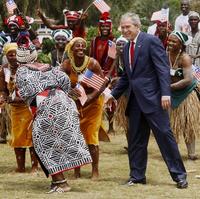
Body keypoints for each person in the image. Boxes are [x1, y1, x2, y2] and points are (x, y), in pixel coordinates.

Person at [106, 12, 188, 188]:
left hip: (155, 101)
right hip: (135, 103)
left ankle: (179, 176)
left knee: (165, 138)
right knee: (135, 141)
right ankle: (137, 176)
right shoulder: (127, 48)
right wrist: (113, 95)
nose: (125, 30)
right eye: (123, 27)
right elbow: (128, 78)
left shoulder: (151, 41)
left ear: (137, 26)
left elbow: (162, 69)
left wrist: (166, 93)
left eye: (128, 26)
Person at [15, 39, 92, 193]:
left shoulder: (22, 71)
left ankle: (61, 183)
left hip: (49, 107)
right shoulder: (49, 67)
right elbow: (64, 82)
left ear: (19, 58)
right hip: (65, 104)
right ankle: (58, 181)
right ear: (34, 55)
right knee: (56, 141)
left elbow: (26, 93)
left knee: (43, 142)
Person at [62, 37, 106, 179]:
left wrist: (91, 98)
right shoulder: (67, 65)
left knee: (91, 136)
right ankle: (77, 171)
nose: (80, 49)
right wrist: (68, 91)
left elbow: (101, 84)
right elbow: (59, 82)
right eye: (77, 46)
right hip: (75, 105)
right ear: (71, 49)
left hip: (93, 105)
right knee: (76, 137)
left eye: (82, 46)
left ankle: (95, 170)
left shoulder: (92, 63)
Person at [0, 43, 38, 172]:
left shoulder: (28, 68)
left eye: (16, 54)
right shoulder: (4, 69)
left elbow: (33, 90)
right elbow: (3, 89)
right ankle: (20, 167)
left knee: (32, 136)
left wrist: (17, 98)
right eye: (10, 55)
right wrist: (5, 97)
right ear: (6, 56)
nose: (14, 57)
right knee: (17, 137)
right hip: (15, 109)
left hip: (30, 107)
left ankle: (34, 166)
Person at [167, 31, 200, 160]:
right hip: (170, 94)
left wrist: (169, 87)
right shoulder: (165, 55)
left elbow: (188, 79)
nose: (170, 43)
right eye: (169, 40)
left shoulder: (185, 58)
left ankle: (191, 153)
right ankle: (172, 153)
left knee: (187, 124)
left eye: (174, 41)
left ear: (180, 44)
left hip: (185, 94)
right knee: (170, 125)